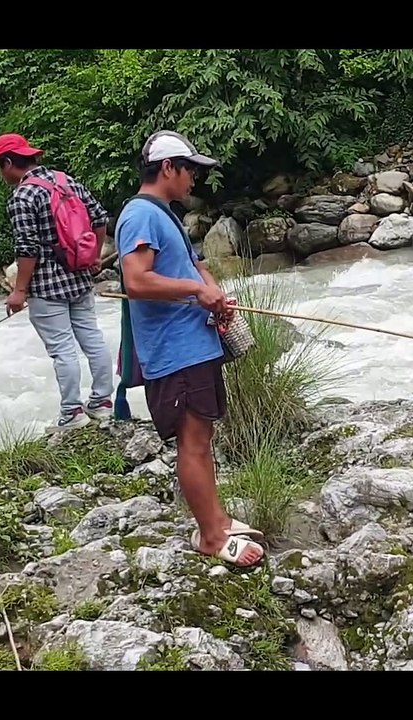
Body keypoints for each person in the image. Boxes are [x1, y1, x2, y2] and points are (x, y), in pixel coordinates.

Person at [115, 130, 264, 568]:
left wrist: (213, 292)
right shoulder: (140, 215)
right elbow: (137, 281)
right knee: (193, 441)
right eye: (190, 170)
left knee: (202, 436)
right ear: (167, 168)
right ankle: (212, 538)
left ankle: (215, 520)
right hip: (175, 350)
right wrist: (196, 293)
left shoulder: (164, 214)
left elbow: (194, 266)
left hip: (193, 345)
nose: (195, 179)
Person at [0, 133, 116, 432]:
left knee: (63, 350)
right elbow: (99, 218)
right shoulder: (65, 181)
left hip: (47, 288)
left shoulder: (23, 196)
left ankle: (72, 411)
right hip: (80, 278)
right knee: (93, 339)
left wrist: (19, 291)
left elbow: (27, 247)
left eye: (0, 167)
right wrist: (94, 256)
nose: (1, 174)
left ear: (8, 163)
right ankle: (101, 403)